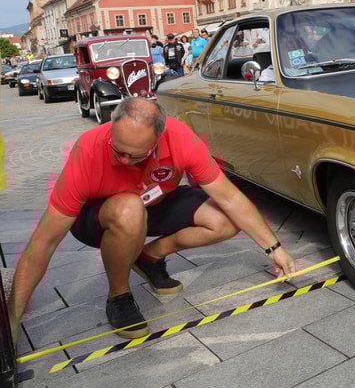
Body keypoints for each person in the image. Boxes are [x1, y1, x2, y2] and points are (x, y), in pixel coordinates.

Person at [7, 98, 295, 344]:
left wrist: (274, 248)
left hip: (152, 204)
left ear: (159, 138)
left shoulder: (181, 139)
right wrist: (9, 322)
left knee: (225, 220)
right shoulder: (89, 148)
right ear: (111, 125)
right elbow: (44, 242)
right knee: (129, 209)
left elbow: (231, 198)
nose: (122, 160)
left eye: (134, 155)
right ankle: (118, 296)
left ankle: (149, 257)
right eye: (117, 150)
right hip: (97, 218)